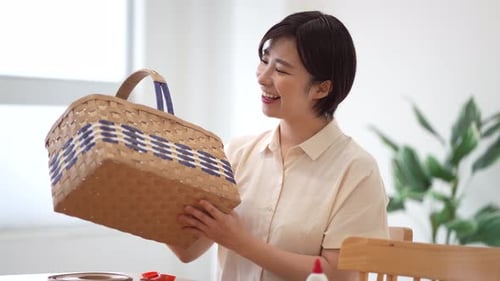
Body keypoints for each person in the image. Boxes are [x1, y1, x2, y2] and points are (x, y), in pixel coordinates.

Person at [167, 10, 389, 281]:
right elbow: (187, 251)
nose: (262, 77)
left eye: (281, 69)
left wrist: (242, 243)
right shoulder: (238, 153)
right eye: (264, 60)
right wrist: (153, 189)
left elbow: (337, 275)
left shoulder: (356, 171)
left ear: (321, 89)